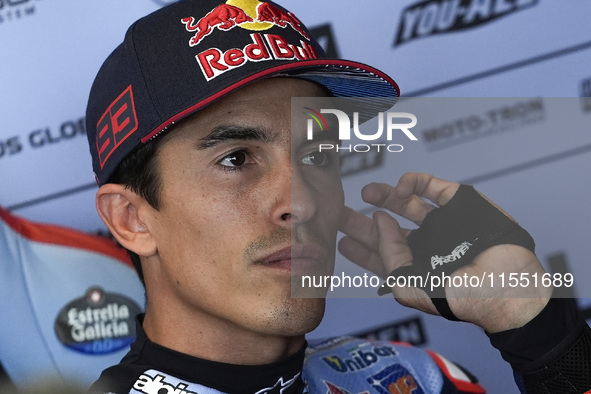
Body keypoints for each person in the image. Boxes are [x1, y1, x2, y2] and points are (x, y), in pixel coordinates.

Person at [84, 0, 591, 392]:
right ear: (132, 218)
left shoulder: (410, 377)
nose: (303, 204)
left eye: (318, 153)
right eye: (236, 159)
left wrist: (536, 328)